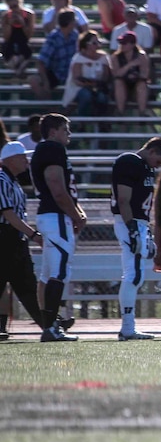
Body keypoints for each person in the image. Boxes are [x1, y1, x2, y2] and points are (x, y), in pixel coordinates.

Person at [111, 137, 161, 340]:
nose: (159, 165)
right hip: (130, 222)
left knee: (135, 274)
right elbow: (123, 199)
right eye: (159, 160)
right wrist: (133, 229)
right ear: (153, 151)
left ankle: (128, 327)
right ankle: (127, 328)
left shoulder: (145, 167)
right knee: (133, 275)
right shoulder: (129, 161)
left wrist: (146, 231)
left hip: (139, 223)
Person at [31, 114, 85, 342]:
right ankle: (51, 327)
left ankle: (50, 324)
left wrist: (76, 210)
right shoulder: (52, 149)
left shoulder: (47, 149)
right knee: (59, 273)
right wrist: (76, 216)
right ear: (53, 132)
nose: (69, 135)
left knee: (47, 275)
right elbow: (57, 188)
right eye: (65, 130)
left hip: (51, 216)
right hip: (56, 216)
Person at [0, 141, 50, 340]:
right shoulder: (2, 179)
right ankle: (49, 323)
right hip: (5, 237)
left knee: (26, 285)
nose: (26, 161)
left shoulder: (11, 180)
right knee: (20, 284)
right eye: (22, 157)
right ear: (11, 159)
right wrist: (33, 234)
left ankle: (49, 324)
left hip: (14, 239)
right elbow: (9, 215)